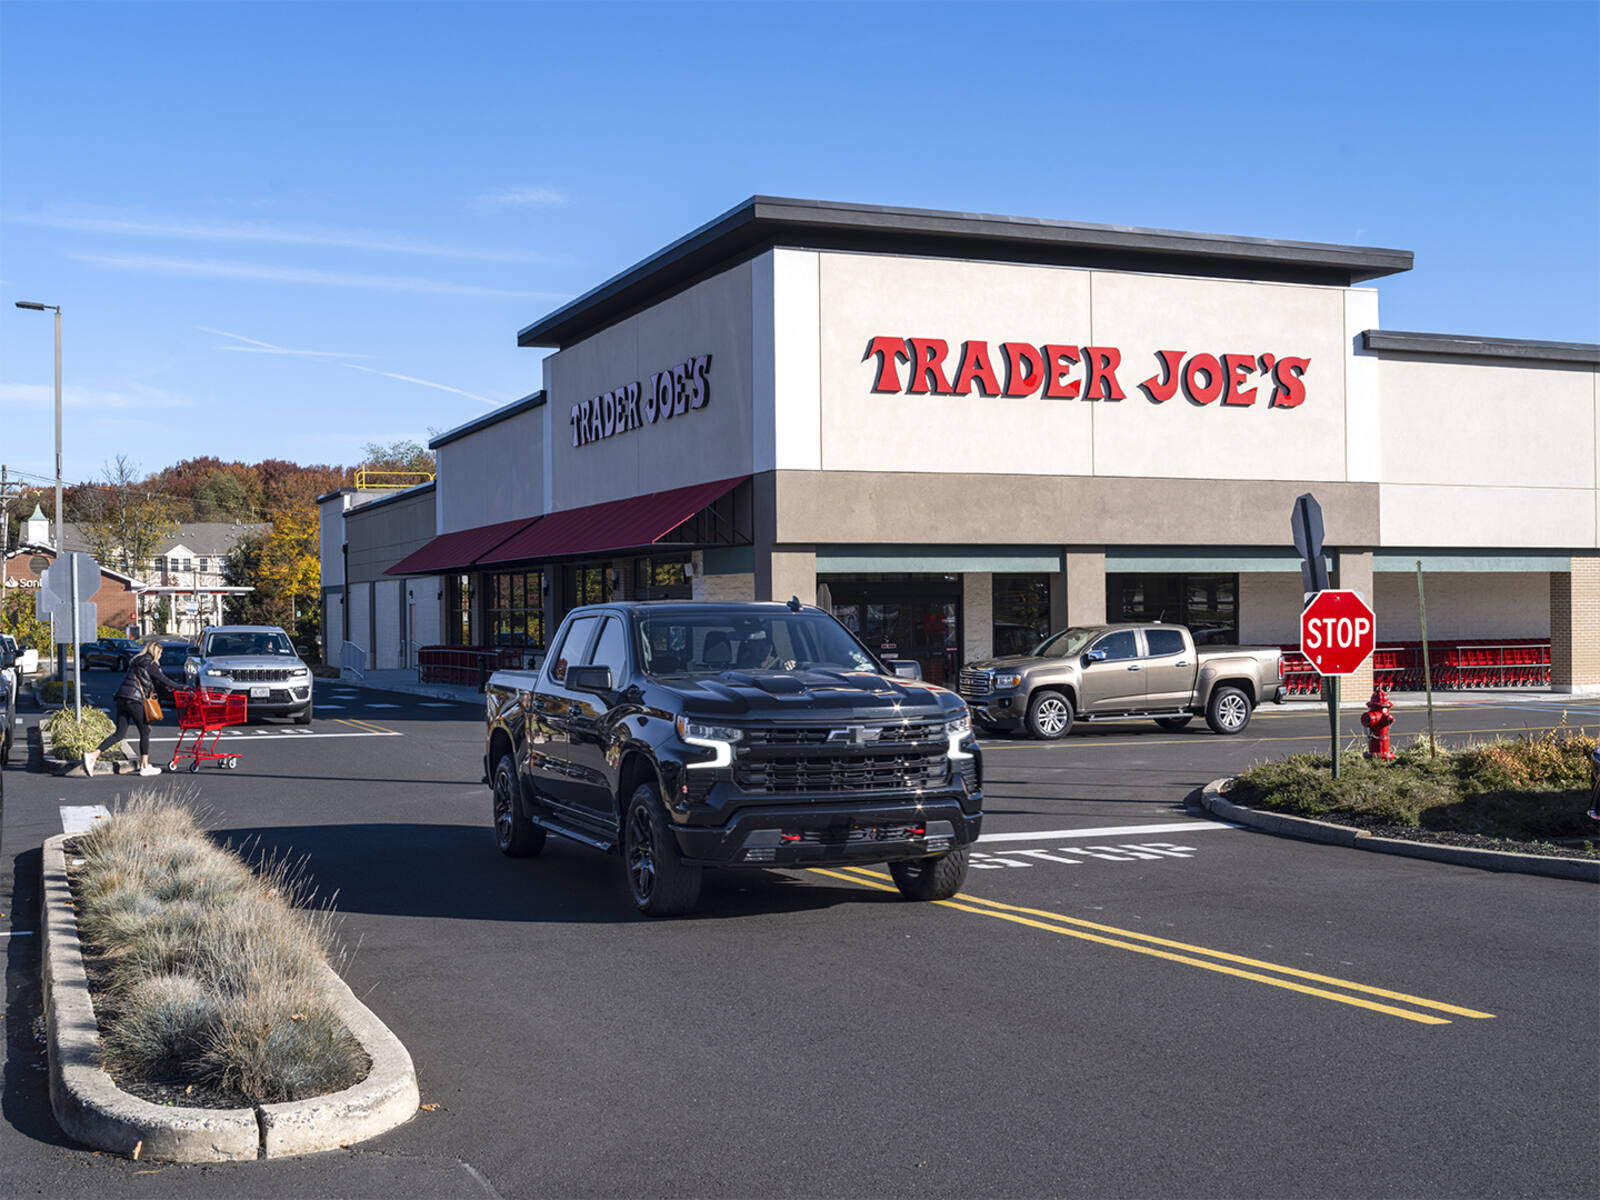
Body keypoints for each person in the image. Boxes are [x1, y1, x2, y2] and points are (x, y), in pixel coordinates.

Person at [83, 642, 176, 778]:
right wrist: (183, 687)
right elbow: (164, 680)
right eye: (160, 654)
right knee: (145, 730)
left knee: (119, 733)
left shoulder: (137, 662)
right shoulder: (150, 664)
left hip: (121, 697)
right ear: (156, 653)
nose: (161, 656)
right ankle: (144, 766)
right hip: (134, 699)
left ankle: (93, 755)